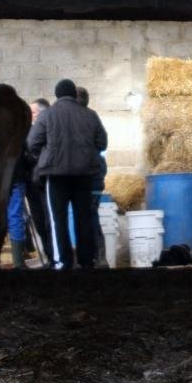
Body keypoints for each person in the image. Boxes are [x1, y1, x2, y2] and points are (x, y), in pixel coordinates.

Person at [27, 79, 107, 269]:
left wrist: (43, 156)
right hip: (84, 175)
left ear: (56, 95)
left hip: (55, 176)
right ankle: (87, 260)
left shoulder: (47, 115)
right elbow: (102, 143)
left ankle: (62, 261)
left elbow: (32, 143)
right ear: (73, 94)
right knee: (84, 218)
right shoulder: (90, 115)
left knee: (58, 220)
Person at [76, 87, 109, 268]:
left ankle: (90, 256)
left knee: (84, 217)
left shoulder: (72, 118)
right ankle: (99, 256)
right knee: (91, 215)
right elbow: (103, 143)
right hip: (95, 175)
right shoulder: (93, 116)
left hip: (80, 176)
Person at [23, 98, 54, 264]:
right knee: (39, 220)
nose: (30, 115)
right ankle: (49, 255)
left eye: (33, 112)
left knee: (48, 219)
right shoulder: (28, 129)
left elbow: (31, 150)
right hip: (32, 181)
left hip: (44, 179)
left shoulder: (50, 128)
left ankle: (54, 256)